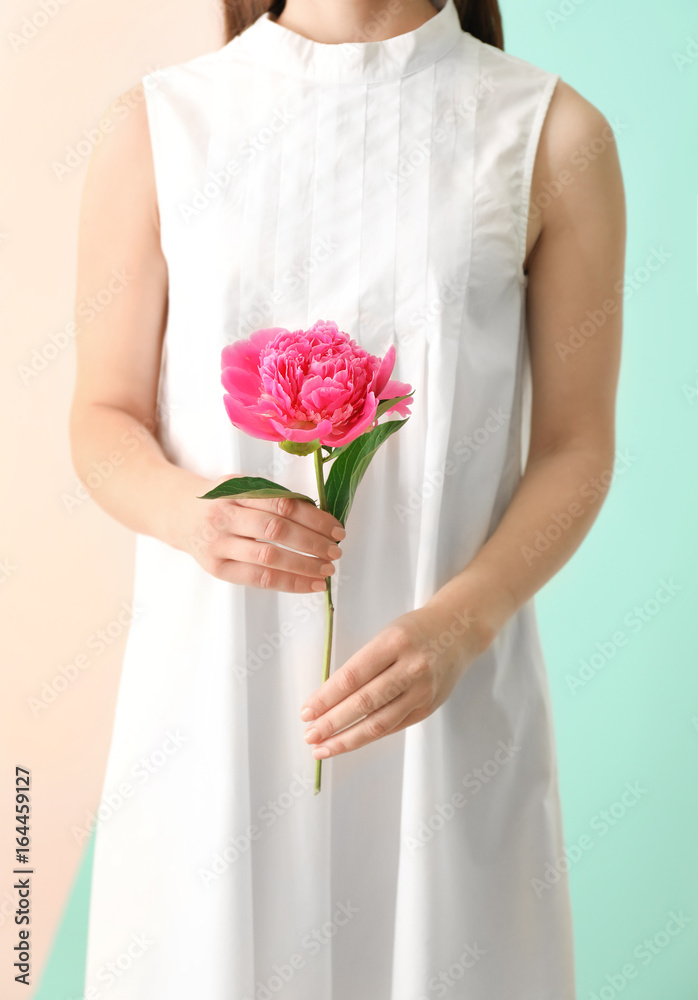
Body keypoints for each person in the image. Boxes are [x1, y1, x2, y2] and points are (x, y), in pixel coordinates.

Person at [70, 0, 625, 996]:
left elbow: (576, 447)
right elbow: (103, 415)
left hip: (441, 707)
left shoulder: (550, 133)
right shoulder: (161, 123)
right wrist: (187, 513)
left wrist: (463, 620)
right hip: (210, 707)